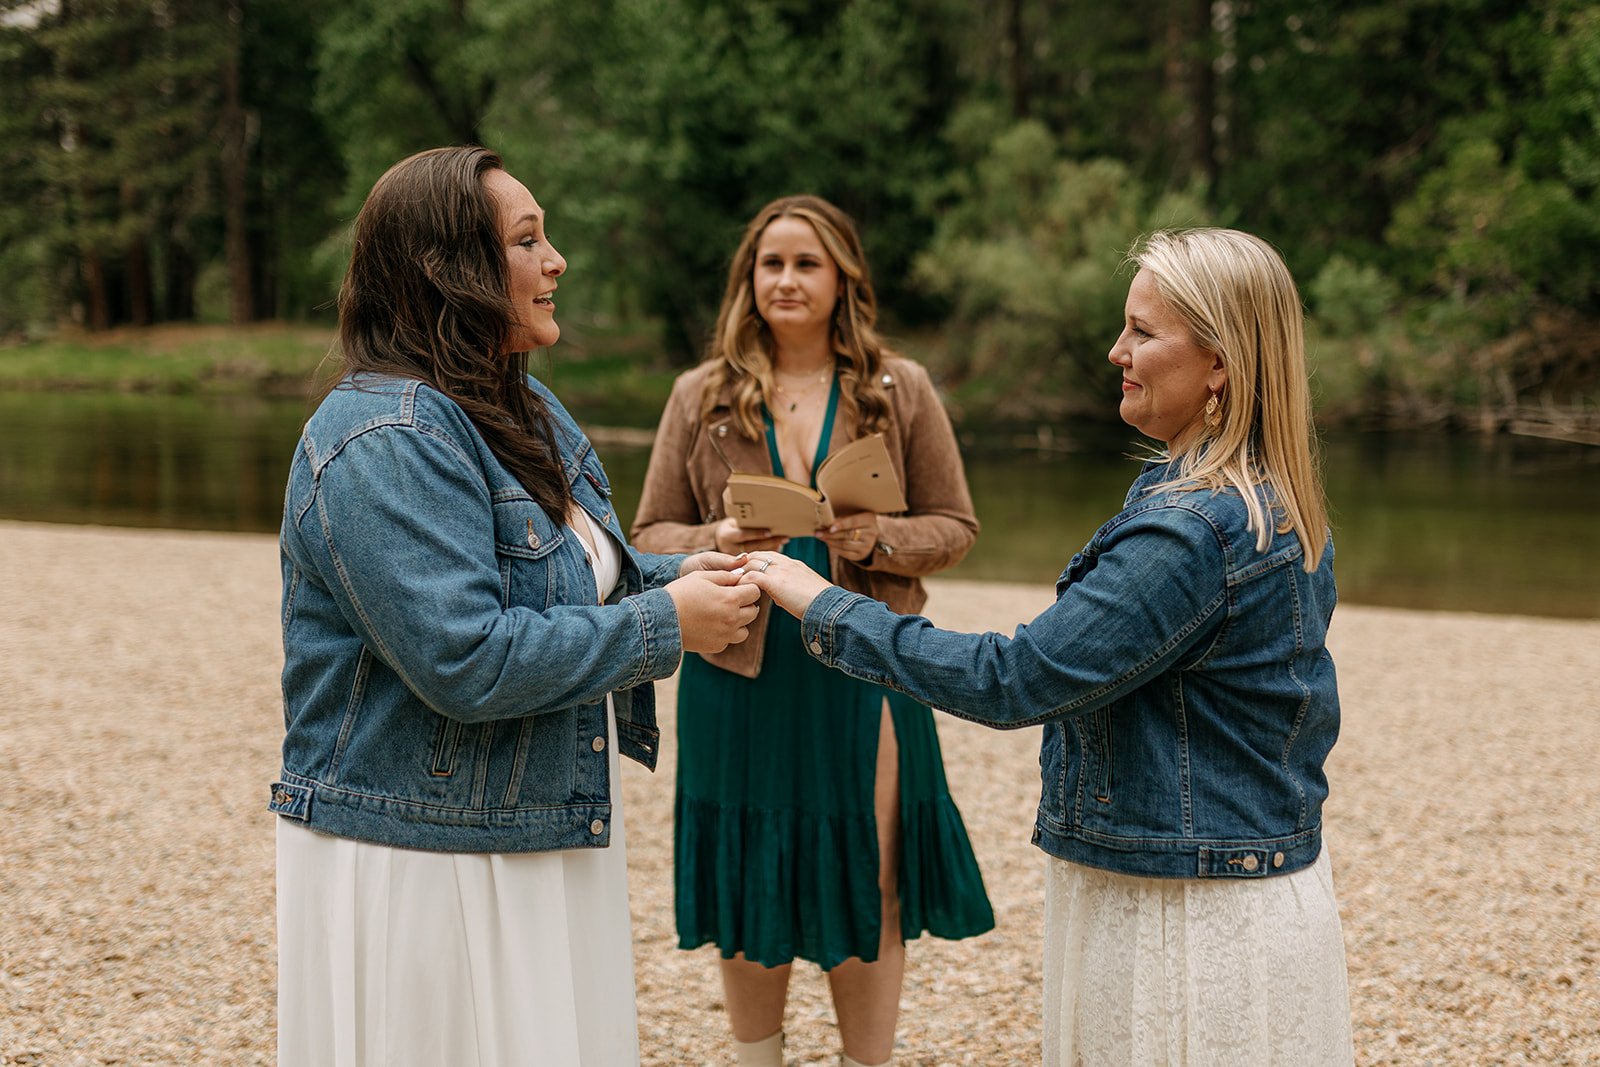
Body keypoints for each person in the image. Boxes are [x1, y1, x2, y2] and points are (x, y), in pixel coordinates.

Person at [743, 228, 1355, 1064]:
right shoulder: (1266, 497)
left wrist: (820, 603)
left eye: (1143, 331)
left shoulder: (1191, 533)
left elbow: (1014, 679)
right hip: (1243, 884)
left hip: (1187, 915)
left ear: (1220, 361)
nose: (1117, 351)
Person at [270, 145, 761, 1067]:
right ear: (448, 271)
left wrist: (699, 570)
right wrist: (670, 626)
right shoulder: (378, 435)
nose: (557, 261)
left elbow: (579, 582)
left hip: (539, 827)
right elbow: (465, 658)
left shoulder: (527, 408)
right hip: (420, 852)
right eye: (528, 240)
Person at [631, 195, 995, 1067]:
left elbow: (956, 524)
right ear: (748, 280)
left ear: (843, 280)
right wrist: (716, 540)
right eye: (771, 263)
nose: (787, 279)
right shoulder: (700, 393)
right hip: (740, 666)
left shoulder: (897, 389)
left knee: (870, 868)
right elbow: (644, 536)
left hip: (866, 660)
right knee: (753, 864)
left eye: (806, 264)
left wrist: (881, 538)